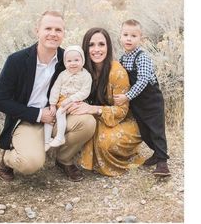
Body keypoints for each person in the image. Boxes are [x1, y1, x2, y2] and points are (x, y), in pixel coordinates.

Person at [0, 11, 96, 182]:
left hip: (57, 116)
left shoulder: (67, 59)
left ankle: (64, 160)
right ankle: (8, 158)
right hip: (27, 119)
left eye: (58, 30)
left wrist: (76, 103)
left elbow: (82, 80)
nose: (53, 34)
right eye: (48, 28)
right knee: (30, 164)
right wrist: (40, 115)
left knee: (87, 122)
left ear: (63, 34)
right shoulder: (16, 60)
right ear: (37, 31)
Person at [62, 27, 143, 177]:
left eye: (101, 44)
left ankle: (121, 155)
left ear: (108, 47)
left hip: (123, 121)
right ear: (85, 48)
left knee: (107, 141)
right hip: (97, 119)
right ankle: (66, 157)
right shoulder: (80, 69)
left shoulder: (117, 72)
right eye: (91, 45)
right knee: (86, 126)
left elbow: (122, 111)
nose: (96, 49)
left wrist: (93, 109)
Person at [115, 19, 170, 176]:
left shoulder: (142, 56)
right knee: (144, 131)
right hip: (138, 102)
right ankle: (156, 153)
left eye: (133, 35)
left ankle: (163, 163)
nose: (128, 38)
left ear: (141, 39)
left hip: (152, 101)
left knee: (156, 130)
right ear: (120, 36)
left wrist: (127, 96)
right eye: (125, 35)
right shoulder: (123, 58)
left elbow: (144, 79)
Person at [44, 45, 92, 151]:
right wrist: (52, 104)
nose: (73, 63)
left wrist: (71, 99)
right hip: (60, 99)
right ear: (65, 63)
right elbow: (55, 89)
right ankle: (47, 141)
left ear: (82, 61)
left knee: (60, 112)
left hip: (74, 100)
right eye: (69, 61)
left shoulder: (86, 75)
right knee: (49, 116)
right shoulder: (62, 75)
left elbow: (85, 91)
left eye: (76, 60)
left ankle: (60, 137)